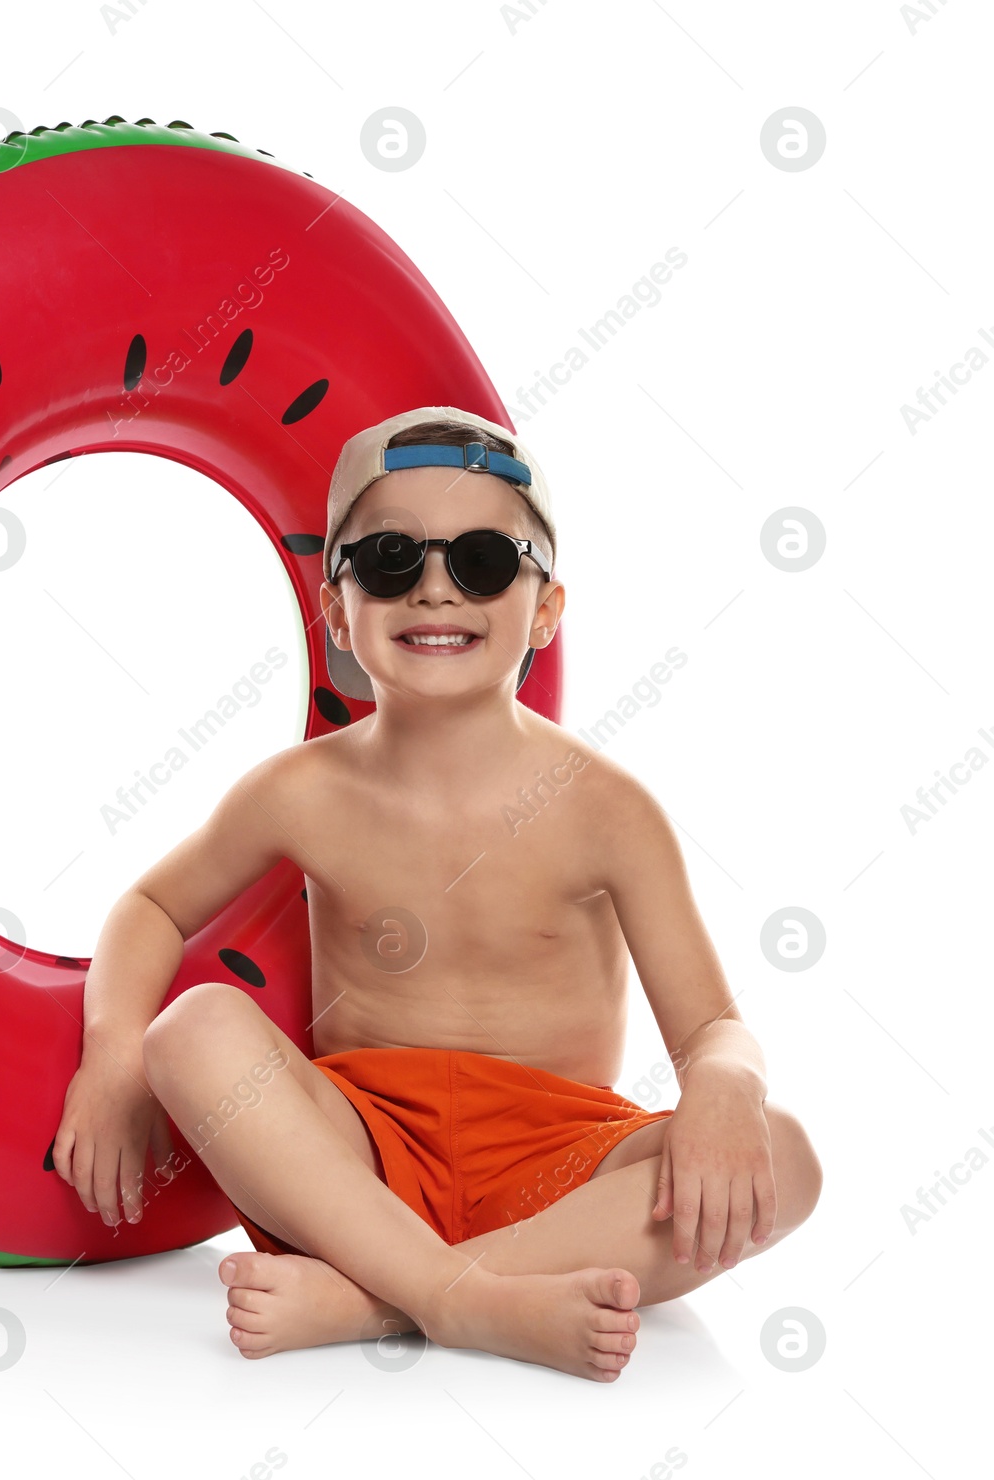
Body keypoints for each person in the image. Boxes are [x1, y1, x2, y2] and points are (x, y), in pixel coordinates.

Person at [52, 406, 821, 1381]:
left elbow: (713, 1025)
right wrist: (114, 1053)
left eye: (485, 561)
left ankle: (382, 1298)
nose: (434, 588)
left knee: (785, 1158)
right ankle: (460, 1297)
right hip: (358, 1158)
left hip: (564, 1166)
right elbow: (151, 908)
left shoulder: (608, 809)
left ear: (544, 608)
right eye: (387, 559)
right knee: (190, 1028)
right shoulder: (301, 791)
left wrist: (723, 1082)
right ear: (337, 610)